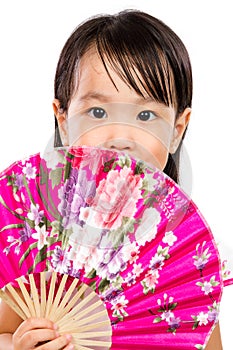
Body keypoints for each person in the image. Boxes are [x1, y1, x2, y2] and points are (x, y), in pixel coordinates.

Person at [0, 9, 227, 349]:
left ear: (177, 130)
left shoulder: (177, 260)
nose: (121, 135)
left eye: (146, 115)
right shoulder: (36, 241)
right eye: (98, 112)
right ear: (63, 120)